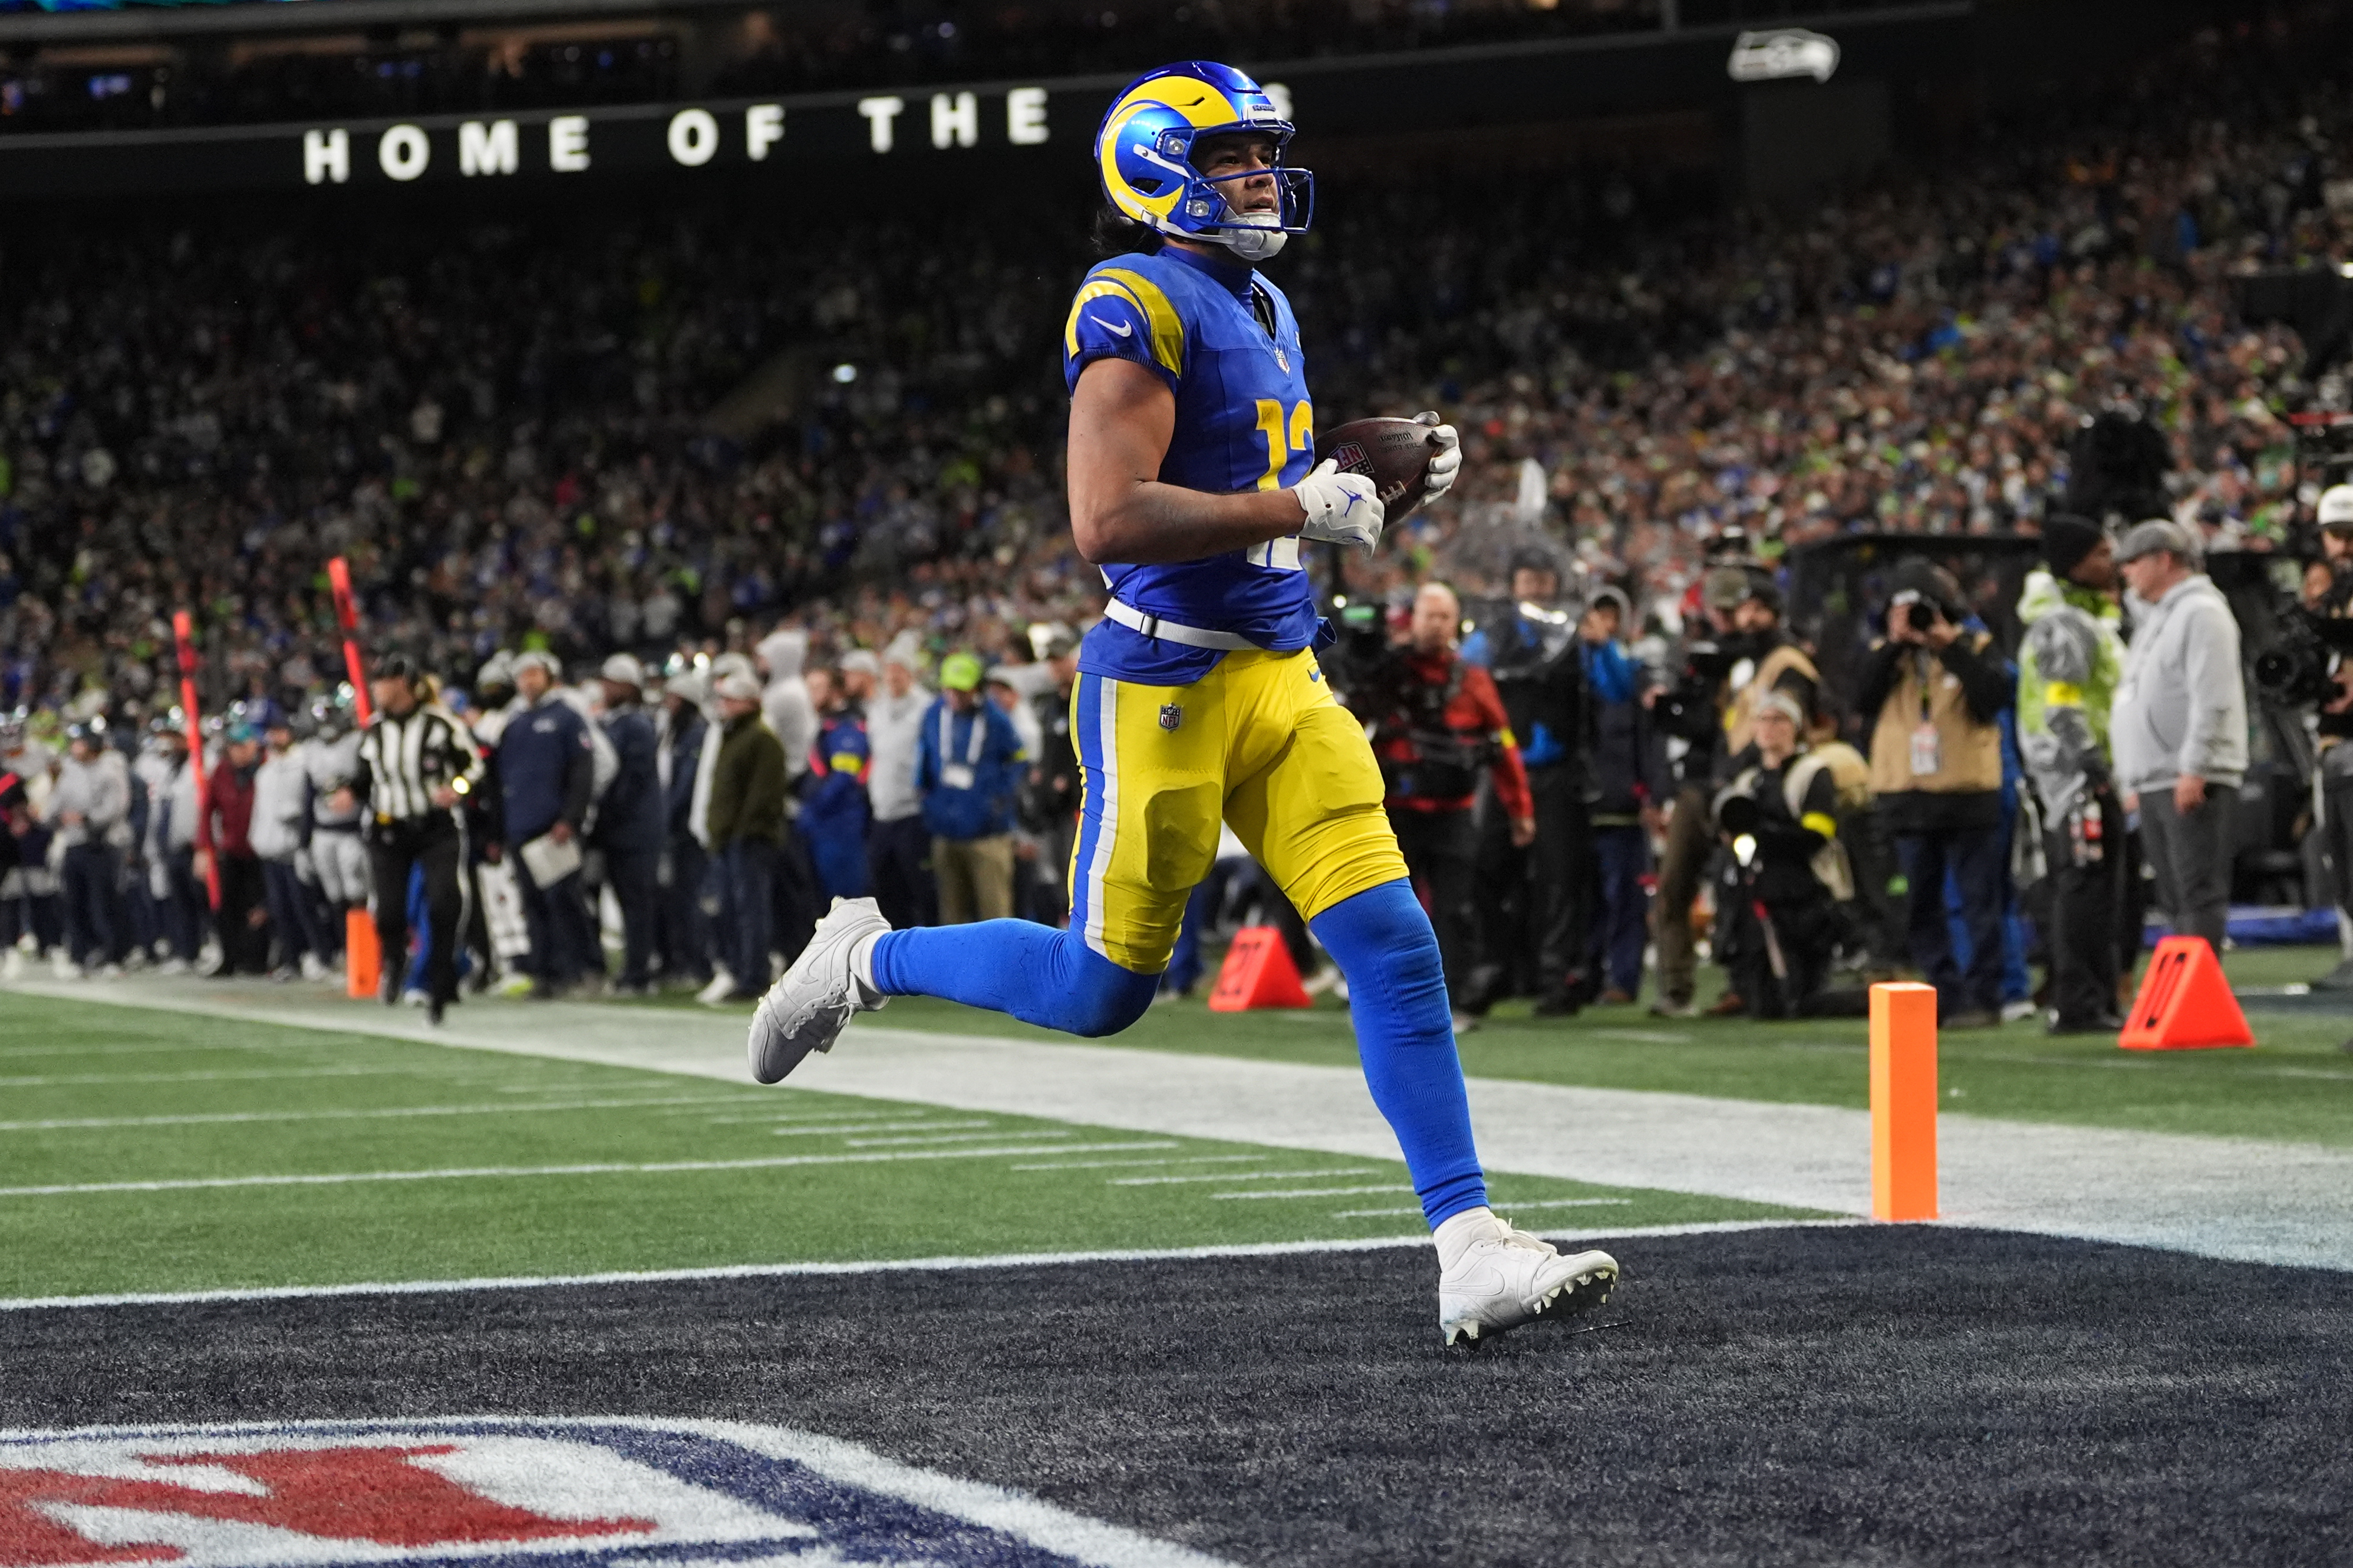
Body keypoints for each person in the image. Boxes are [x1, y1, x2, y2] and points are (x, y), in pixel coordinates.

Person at [742, 62, 1615, 1348]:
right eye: (1233, 157)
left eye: (1264, 153)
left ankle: (1468, 1244)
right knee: (1100, 990)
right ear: (1159, 167)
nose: (1261, 175)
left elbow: (1261, 476)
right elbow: (1107, 518)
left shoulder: (1263, 298)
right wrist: (1299, 503)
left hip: (1282, 673)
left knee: (1392, 943)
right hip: (1162, 684)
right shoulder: (1132, 296)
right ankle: (863, 957)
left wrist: (1361, 472)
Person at [1356, 582, 1534, 1033]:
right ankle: (1383, 998)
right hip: (1396, 811)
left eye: (1444, 617)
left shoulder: (1473, 679)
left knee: (1457, 910)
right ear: (1412, 619)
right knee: (1390, 909)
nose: (1436, 625)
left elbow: (1503, 746)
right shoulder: (1386, 673)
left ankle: (1453, 1003)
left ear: (1457, 624)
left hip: (1453, 812)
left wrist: (1520, 808)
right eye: (1429, 615)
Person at [1857, 560, 2014, 1027]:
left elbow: (1992, 699)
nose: (1916, 621)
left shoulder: (1976, 646)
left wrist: (1949, 647)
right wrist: (1895, 645)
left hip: (1968, 792)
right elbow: (1860, 701)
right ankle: (1945, 995)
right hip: (1906, 794)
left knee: (1979, 902)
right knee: (1919, 906)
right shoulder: (1885, 656)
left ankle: (1984, 997)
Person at [2112, 518, 2247, 958]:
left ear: (2164, 559)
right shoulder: (2159, 617)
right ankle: (2186, 992)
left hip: (2187, 776)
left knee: (2196, 894)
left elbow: (2214, 696)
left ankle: (2200, 992)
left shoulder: (2202, 611)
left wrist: (2196, 766)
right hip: (2157, 776)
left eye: (2133, 561)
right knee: (2174, 898)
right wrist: (2133, 777)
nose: (2125, 571)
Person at [2017, 516, 2132, 1032]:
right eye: (2102, 553)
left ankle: (2096, 998)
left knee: (2098, 890)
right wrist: (2093, 765)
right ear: (2076, 563)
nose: (2113, 563)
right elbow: (2062, 707)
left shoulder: (2080, 617)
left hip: (2078, 773)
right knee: (2085, 888)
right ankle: (2079, 1000)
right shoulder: (2064, 624)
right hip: (2076, 778)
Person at [1470, 550, 1589, 1014]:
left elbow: (1609, 686)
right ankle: (1498, 968)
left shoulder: (1574, 634)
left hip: (1555, 772)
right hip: (1505, 771)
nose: (1537, 589)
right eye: (1529, 580)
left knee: (1558, 877)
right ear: (1515, 585)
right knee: (1487, 868)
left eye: (1543, 580)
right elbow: (1467, 667)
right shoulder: (1497, 632)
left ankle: (1556, 978)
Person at [350, 654, 485, 1023]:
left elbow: (474, 766)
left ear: (402, 685)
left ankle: (440, 981)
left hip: (436, 827)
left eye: (382, 682)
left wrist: (457, 789)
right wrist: (345, 792)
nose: (376, 689)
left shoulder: (440, 724)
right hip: (388, 828)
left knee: (444, 904)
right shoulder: (374, 729)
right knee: (389, 911)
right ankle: (394, 961)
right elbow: (362, 780)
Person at [1712, 691, 1853, 1019]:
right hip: (1758, 895)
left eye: (1779, 720)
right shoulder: (1748, 781)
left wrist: (1762, 833)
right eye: (1762, 719)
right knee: (1766, 1006)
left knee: (1805, 1001)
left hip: (1804, 893)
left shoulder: (1812, 773)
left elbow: (1816, 837)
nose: (1769, 727)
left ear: (1796, 727)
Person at [1579, 587, 1668, 1006]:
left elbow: (1649, 740)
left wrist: (1653, 794)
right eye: (1597, 616)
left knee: (1626, 898)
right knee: (1586, 897)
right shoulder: (1572, 671)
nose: (1604, 625)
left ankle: (1623, 978)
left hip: (1623, 804)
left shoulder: (1636, 674)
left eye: (1612, 617)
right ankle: (1585, 975)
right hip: (1581, 802)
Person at [499, 650, 599, 996]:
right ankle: (545, 973)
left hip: (553, 828)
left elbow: (583, 771)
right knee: (533, 904)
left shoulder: (567, 717)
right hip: (520, 826)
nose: (528, 681)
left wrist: (571, 817)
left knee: (565, 901)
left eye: (534, 674)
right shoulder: (512, 722)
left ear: (550, 677)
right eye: (522, 675)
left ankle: (580, 969)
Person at [916, 651, 1026, 925]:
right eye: (950, 689)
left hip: (987, 835)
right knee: (951, 916)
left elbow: (1019, 759)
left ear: (977, 688)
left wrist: (997, 800)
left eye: (962, 690)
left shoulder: (995, 719)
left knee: (995, 914)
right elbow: (924, 758)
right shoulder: (933, 715)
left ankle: (1000, 957)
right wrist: (926, 798)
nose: (955, 696)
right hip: (945, 830)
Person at [703, 668, 787, 1003]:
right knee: (732, 909)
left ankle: (754, 976)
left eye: (731, 700)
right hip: (730, 838)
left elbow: (763, 795)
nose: (724, 705)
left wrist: (743, 831)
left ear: (748, 702)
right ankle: (740, 970)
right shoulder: (735, 736)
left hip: (750, 840)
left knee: (751, 910)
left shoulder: (761, 738)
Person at [594, 653, 666, 996]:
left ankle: (639, 972)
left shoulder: (635, 725)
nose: (605, 689)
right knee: (628, 902)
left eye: (611, 683)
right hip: (623, 827)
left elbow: (630, 782)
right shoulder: (616, 722)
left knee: (637, 903)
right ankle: (636, 967)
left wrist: (605, 812)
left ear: (627, 686)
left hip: (636, 828)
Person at [251, 709, 331, 981]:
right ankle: (292, 959)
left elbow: (310, 804)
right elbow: (261, 810)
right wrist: (257, 837)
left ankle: (321, 955)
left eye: (280, 731)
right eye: (272, 732)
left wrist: (303, 835)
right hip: (271, 847)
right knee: (281, 909)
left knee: (305, 907)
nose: (275, 737)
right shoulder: (266, 769)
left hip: (297, 847)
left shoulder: (303, 764)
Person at [864, 633, 936, 931]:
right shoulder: (877, 708)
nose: (893, 677)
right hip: (882, 812)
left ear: (911, 673)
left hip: (913, 813)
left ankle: (928, 948)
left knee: (920, 888)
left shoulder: (926, 709)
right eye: (889, 671)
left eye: (899, 670)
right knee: (885, 887)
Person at [48, 721, 130, 977]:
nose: (75, 748)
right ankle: (80, 956)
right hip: (74, 844)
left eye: (80, 742)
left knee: (103, 903)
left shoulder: (110, 769)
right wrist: (56, 817)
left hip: (101, 845)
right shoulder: (69, 771)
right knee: (75, 903)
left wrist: (86, 818)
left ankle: (112, 956)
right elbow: (54, 806)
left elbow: (116, 807)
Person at [655, 668, 714, 991]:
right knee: (676, 898)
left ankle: (699, 963)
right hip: (673, 828)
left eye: (674, 699)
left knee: (693, 898)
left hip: (688, 830)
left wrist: (666, 818)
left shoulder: (697, 733)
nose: (668, 704)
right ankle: (681, 960)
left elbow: (686, 785)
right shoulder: (672, 733)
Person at [198, 722, 269, 978]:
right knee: (227, 907)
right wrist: (204, 848)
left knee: (260, 908)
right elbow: (208, 809)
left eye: (242, 746)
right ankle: (229, 958)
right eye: (233, 747)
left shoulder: (267, 768)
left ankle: (257, 959)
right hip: (232, 848)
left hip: (261, 849)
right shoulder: (222, 771)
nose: (237, 752)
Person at [802, 661, 874, 905]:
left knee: (846, 901)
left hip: (841, 825)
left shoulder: (846, 727)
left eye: (818, 687)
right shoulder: (826, 724)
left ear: (835, 692)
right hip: (826, 827)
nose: (811, 694)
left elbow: (844, 777)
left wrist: (814, 808)